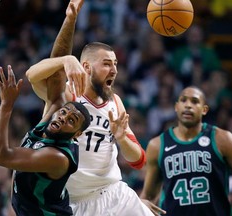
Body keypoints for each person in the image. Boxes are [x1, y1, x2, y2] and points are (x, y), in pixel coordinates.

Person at [25, 0, 164, 215]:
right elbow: (32, 75)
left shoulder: (115, 102)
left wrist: (121, 138)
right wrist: (65, 60)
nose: (114, 70)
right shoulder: (68, 96)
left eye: (116, 64)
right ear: (87, 67)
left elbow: (138, 160)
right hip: (76, 201)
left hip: (115, 193)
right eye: (107, 64)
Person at [0, 64, 91, 216]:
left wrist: (6, 105)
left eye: (71, 120)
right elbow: (56, 80)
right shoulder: (49, 125)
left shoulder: (57, 157)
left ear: (77, 134)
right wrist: (65, 60)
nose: (63, 118)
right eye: (63, 112)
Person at [140, 86, 232, 215]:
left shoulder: (222, 139)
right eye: (183, 100)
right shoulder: (157, 145)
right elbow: (148, 196)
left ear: (204, 109)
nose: (188, 105)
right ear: (176, 107)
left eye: (194, 101)